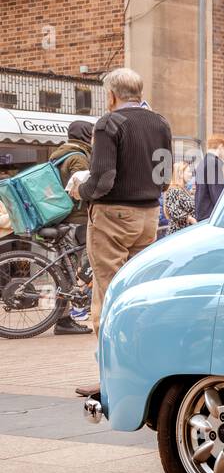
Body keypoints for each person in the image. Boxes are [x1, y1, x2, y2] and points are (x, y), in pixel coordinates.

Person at [73, 67, 171, 397]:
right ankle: (144, 374)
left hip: (112, 216)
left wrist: (80, 190)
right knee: (138, 294)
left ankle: (112, 381)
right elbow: (165, 177)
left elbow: (102, 180)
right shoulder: (161, 123)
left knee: (108, 295)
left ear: (112, 95)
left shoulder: (109, 123)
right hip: (148, 216)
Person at [47, 120, 95, 334]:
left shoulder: (58, 154)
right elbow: (84, 187)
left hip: (61, 217)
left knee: (66, 269)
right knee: (81, 265)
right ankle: (69, 315)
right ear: (85, 135)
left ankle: (65, 317)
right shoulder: (78, 157)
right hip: (77, 219)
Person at [193, 135, 224, 220]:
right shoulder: (213, 163)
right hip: (210, 215)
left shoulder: (202, 163)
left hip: (202, 213)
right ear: (221, 146)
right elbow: (217, 194)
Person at [163, 160, 197, 233]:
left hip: (186, 230)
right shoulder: (173, 190)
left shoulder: (182, 189)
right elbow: (174, 211)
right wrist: (191, 219)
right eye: (188, 172)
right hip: (179, 232)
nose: (191, 174)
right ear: (180, 174)